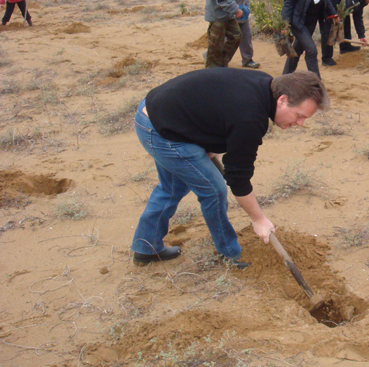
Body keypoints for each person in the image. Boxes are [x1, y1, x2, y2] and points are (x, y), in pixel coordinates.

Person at [130, 69, 329, 266]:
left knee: (173, 187)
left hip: (155, 112)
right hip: (161, 130)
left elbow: (217, 105)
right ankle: (231, 254)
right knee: (213, 190)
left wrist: (205, 142)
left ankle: (146, 247)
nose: (300, 123)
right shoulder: (250, 117)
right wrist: (258, 219)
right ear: (283, 100)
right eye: (299, 115)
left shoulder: (265, 85)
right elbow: (237, 177)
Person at [281, 0, 337, 79]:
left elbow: (327, 0)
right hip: (298, 22)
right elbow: (288, 3)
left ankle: (284, 78)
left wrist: (334, 14)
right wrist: (284, 23)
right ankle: (316, 83)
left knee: (297, 50)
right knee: (311, 50)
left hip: (312, 22)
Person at [322, 0, 369, 65]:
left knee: (345, 17)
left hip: (338, 0)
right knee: (331, 25)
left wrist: (362, 35)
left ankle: (345, 47)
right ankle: (326, 58)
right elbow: (342, 11)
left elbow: (357, 16)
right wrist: (337, 23)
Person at [235, 0, 261, 69]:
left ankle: (247, 60)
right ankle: (214, 57)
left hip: (244, 15)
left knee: (246, 37)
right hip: (233, 15)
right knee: (229, 39)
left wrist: (248, 8)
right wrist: (235, 10)